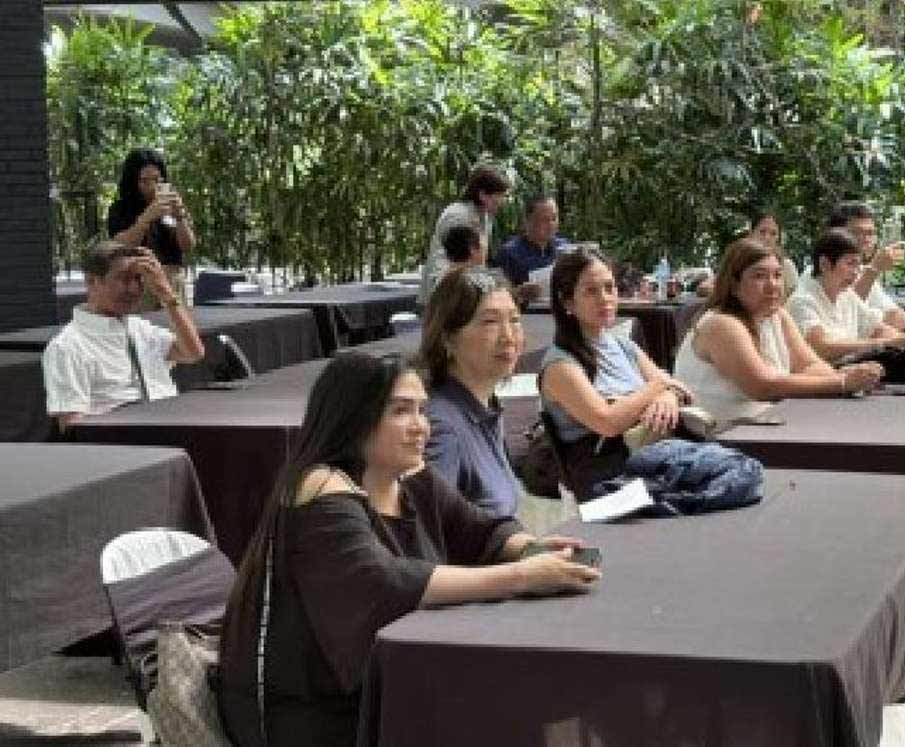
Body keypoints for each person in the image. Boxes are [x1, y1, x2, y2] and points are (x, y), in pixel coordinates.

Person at [217, 352, 599, 747]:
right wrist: (519, 577)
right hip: (311, 710)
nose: (420, 427)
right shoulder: (318, 486)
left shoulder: (410, 477)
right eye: (401, 412)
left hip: (387, 680)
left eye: (422, 411)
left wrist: (530, 549)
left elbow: (479, 530)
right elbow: (380, 582)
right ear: (353, 417)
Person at [673, 237, 882, 422]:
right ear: (734, 284)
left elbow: (808, 365)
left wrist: (847, 375)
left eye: (778, 275)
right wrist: (842, 383)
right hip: (720, 436)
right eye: (759, 276)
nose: (773, 285)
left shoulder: (777, 314)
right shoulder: (722, 323)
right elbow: (763, 386)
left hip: (764, 422)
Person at [539, 248, 691, 497]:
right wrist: (656, 387)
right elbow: (608, 422)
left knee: (735, 471)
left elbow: (678, 389)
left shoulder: (624, 346)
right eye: (591, 291)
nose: (605, 298)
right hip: (610, 479)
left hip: (653, 459)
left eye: (610, 288)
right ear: (567, 302)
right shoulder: (561, 366)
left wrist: (666, 397)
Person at [42, 240, 205, 431]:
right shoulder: (68, 347)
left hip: (173, 429)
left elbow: (193, 353)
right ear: (92, 281)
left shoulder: (141, 329)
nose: (135, 289)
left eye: (139, 279)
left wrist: (166, 294)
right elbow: (72, 427)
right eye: (124, 279)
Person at [419, 268, 525, 517]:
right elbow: (429, 539)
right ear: (447, 338)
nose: (508, 337)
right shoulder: (440, 429)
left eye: (514, 320)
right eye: (490, 322)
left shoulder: (482, 405)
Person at [788, 229, 905, 362]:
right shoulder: (803, 301)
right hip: (825, 375)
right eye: (850, 264)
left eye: (858, 265)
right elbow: (821, 348)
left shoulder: (847, 295)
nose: (856, 272)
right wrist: (884, 344)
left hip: (857, 368)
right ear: (824, 264)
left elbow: (876, 329)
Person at [107, 149, 196, 308]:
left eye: (157, 180)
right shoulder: (120, 209)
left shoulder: (171, 205)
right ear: (133, 181)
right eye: (145, 181)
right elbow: (120, 246)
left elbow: (187, 246)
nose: (152, 186)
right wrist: (146, 218)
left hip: (172, 281)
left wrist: (180, 217)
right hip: (139, 281)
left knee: (176, 329)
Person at [419, 165, 511, 306]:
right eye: (499, 195)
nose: (503, 201)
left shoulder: (485, 216)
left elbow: (477, 263)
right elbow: (450, 262)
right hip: (444, 297)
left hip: (464, 293)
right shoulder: (458, 217)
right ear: (482, 195)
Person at [827, 201, 905, 331]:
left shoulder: (862, 272)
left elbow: (892, 314)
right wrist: (875, 268)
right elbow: (844, 312)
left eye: (870, 233)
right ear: (835, 234)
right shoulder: (822, 271)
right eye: (857, 232)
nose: (865, 239)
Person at [697, 210, 800, 298]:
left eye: (773, 234)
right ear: (751, 234)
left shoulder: (786, 266)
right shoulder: (738, 261)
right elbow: (704, 287)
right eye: (762, 232)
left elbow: (795, 299)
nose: (767, 238)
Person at [492, 194, 571, 298]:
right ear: (528, 221)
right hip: (526, 311)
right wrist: (518, 292)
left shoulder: (564, 248)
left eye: (554, 218)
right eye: (545, 219)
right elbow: (495, 294)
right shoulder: (508, 253)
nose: (551, 224)